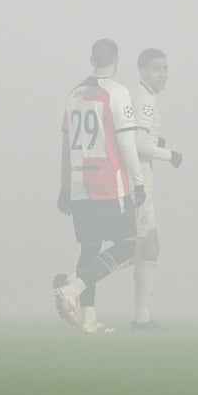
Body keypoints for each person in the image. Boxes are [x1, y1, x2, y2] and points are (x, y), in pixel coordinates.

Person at [53, 38, 146, 334]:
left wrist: (65, 188)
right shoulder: (117, 93)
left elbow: (66, 145)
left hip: (81, 183)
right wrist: (138, 181)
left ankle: (89, 318)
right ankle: (74, 287)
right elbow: (127, 142)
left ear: (90, 58)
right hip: (108, 182)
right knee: (132, 244)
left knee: (90, 249)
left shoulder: (74, 94)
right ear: (117, 59)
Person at [128, 48, 183, 331]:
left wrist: (156, 142)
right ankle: (75, 283)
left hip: (138, 178)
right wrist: (170, 154)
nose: (162, 74)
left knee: (150, 246)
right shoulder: (146, 100)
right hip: (138, 181)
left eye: (165, 68)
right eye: (155, 69)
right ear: (142, 70)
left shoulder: (138, 95)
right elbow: (138, 143)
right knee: (134, 248)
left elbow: (139, 136)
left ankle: (142, 318)